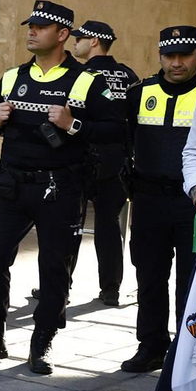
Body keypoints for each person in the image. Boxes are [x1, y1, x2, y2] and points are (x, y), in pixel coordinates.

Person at [0, 1, 124, 374]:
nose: (31, 31)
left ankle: (42, 342)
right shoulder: (13, 76)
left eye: (40, 26)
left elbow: (117, 130)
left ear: (62, 34)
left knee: (54, 267)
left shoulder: (86, 81)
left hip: (60, 189)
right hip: (12, 187)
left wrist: (74, 125)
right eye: (30, 25)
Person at [113, 26, 196, 391]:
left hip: (191, 205)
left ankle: (182, 359)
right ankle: (151, 345)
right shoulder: (141, 92)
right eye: (170, 55)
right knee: (149, 277)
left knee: (190, 289)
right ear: (160, 55)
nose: (177, 63)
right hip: (149, 200)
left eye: (186, 55)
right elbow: (123, 139)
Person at [71, 21, 139, 306]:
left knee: (69, 222)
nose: (74, 43)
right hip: (118, 159)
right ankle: (110, 288)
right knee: (109, 224)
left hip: (83, 156)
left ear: (94, 42)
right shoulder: (129, 75)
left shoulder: (81, 74)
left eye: (79, 39)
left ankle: (60, 283)